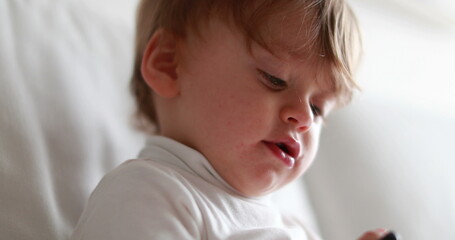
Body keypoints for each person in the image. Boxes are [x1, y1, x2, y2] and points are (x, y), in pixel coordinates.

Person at [71, 0, 392, 239]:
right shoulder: (144, 193)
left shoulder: (295, 228)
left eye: (319, 108)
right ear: (169, 64)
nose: (304, 117)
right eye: (274, 79)